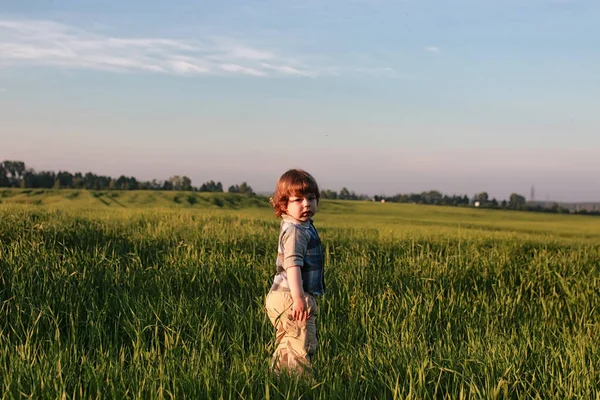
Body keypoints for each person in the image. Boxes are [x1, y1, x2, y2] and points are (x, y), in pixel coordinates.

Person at [265, 169, 325, 376]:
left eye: (311, 198)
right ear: (283, 205)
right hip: (292, 296)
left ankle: (277, 379)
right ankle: (302, 386)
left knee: (288, 343)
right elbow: (293, 265)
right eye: (298, 199)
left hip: (283, 296)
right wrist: (299, 298)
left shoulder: (299, 225)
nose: (306, 204)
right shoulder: (296, 231)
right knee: (302, 345)